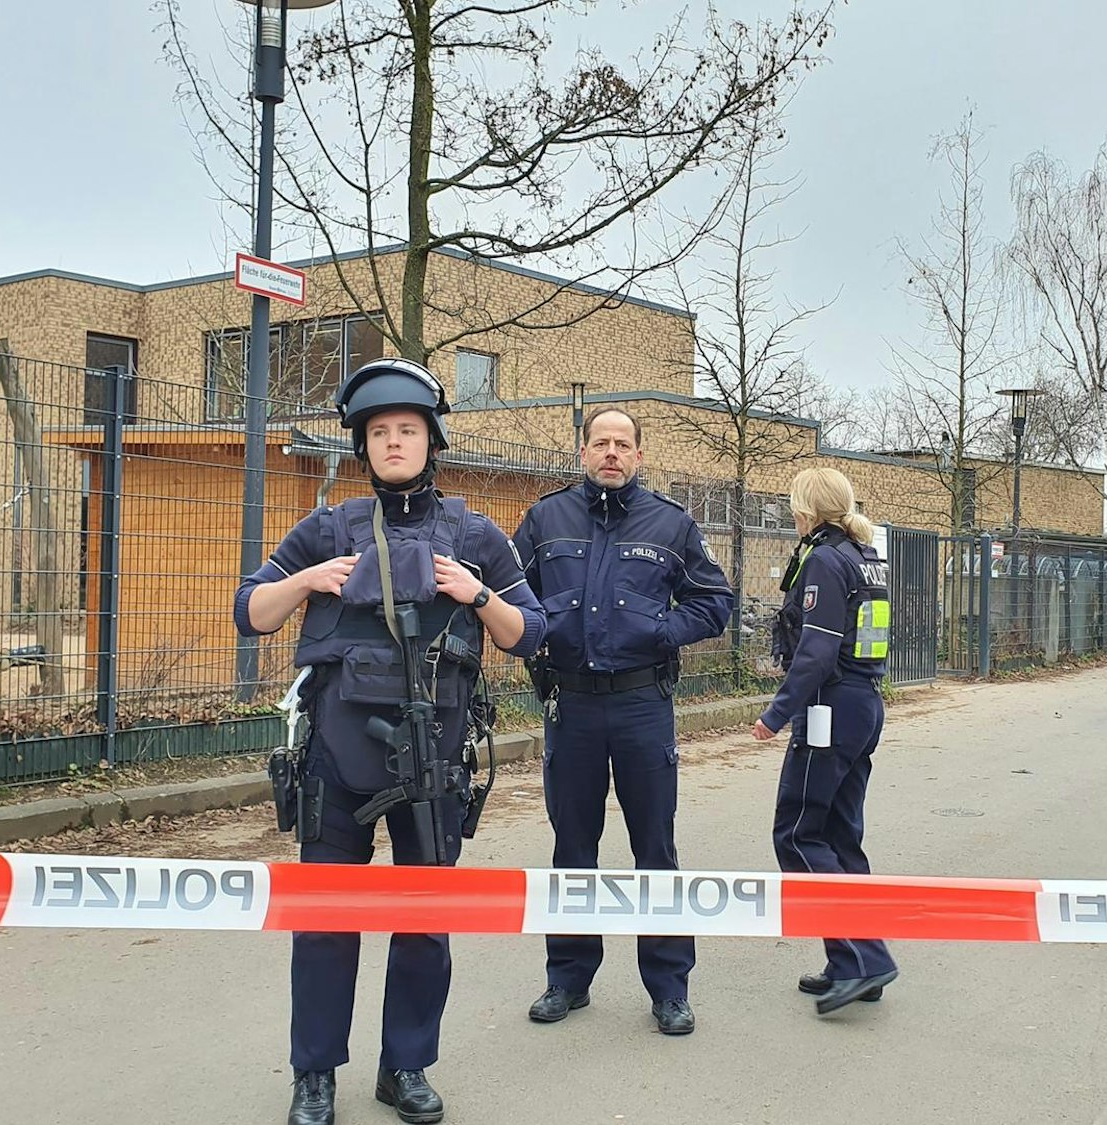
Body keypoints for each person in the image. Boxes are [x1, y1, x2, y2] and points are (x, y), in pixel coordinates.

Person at [235, 357, 547, 1125]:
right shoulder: (328, 528)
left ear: (431, 440)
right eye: (380, 432)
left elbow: (530, 631)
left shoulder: (474, 534)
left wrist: (476, 592)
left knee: (424, 923)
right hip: (336, 760)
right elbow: (251, 611)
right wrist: (307, 581)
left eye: (408, 428)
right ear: (363, 445)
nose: (395, 441)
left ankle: (405, 1065)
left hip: (433, 761)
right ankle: (314, 1074)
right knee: (324, 922)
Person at [511, 407, 735, 1036]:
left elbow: (714, 601)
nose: (611, 452)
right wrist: (536, 637)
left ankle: (669, 988)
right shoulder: (545, 520)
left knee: (654, 847)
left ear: (639, 455)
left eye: (623, 444)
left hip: (642, 705)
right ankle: (568, 978)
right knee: (572, 847)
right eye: (600, 442)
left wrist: (662, 631)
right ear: (583, 451)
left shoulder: (671, 523)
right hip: (572, 706)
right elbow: (507, 592)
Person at [751, 466, 899, 1013]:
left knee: (798, 834)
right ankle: (851, 964)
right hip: (863, 703)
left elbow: (816, 651)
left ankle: (866, 958)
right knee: (839, 837)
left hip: (830, 708)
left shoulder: (825, 560)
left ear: (805, 510)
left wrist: (776, 714)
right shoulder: (865, 556)